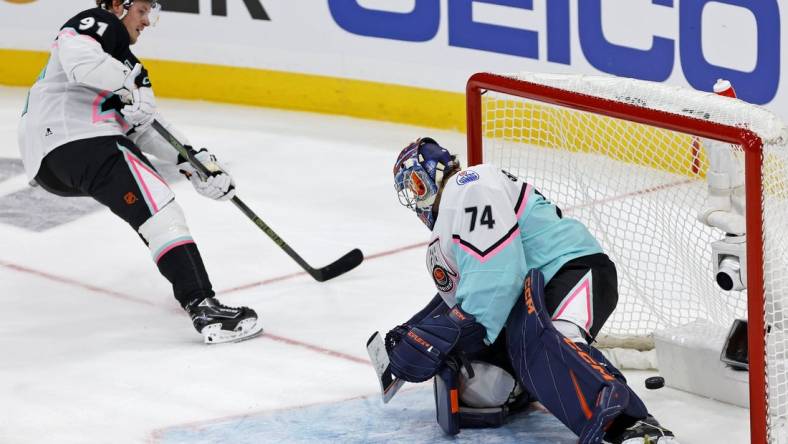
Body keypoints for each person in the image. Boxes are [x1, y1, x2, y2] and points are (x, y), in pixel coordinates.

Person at [385, 137, 678, 443]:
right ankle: (529, 383)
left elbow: (498, 278)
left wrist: (451, 330)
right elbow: (469, 292)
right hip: (524, 298)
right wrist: (417, 329)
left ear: (435, 174)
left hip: (570, 270)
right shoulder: (448, 224)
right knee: (482, 391)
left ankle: (632, 425)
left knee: (549, 343)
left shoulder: (469, 185)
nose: (417, 200)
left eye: (417, 186)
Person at [17, 0, 262, 344]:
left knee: (149, 210)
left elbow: (143, 127)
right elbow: (80, 63)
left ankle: (189, 285)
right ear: (119, 4)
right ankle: (203, 307)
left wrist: (195, 163)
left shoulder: (122, 62)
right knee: (160, 207)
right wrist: (131, 82)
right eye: (143, 11)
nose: (147, 22)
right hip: (78, 139)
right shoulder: (98, 21)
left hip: (55, 161)